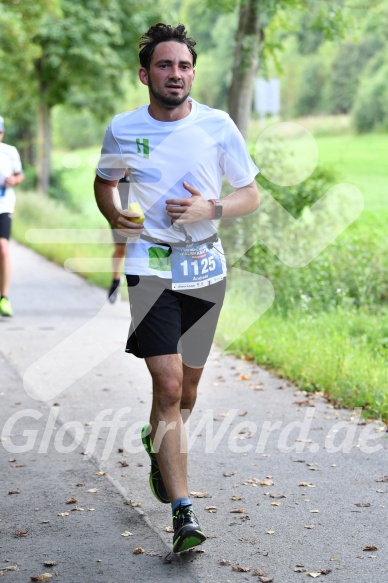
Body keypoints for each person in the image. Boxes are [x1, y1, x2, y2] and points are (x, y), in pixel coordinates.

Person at [94, 23, 259, 553]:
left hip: (205, 266)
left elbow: (250, 194)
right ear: (146, 74)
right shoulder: (122, 129)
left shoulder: (218, 125)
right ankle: (183, 514)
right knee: (166, 388)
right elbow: (105, 182)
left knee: (186, 392)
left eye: (184, 66)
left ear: (193, 72)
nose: (176, 74)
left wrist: (210, 208)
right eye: (165, 65)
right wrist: (117, 218)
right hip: (150, 265)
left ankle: (156, 442)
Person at [0, 116, 24, 317]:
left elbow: (20, 175)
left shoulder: (10, 152)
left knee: (4, 249)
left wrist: (13, 180)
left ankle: (4, 298)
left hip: (4, 206)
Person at [107, 171, 130, 303]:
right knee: (121, 250)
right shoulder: (116, 159)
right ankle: (116, 280)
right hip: (119, 213)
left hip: (142, 213)